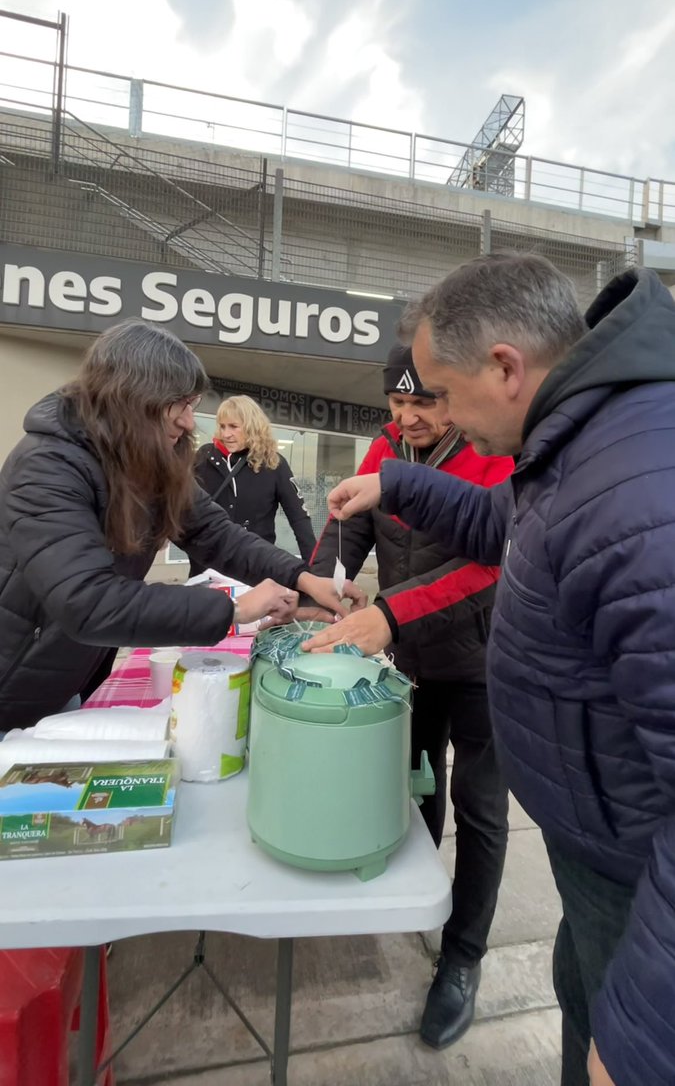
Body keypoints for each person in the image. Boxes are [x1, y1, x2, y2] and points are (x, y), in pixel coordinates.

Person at [310, 252, 675, 1086]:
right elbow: (504, 521)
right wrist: (391, 484)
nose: (431, 413)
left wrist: (646, 1038)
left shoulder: (637, 479)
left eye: (440, 394)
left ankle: (468, 960)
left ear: (505, 367)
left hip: (633, 869)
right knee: (577, 989)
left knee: (601, 1031)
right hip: (596, 835)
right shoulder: (582, 435)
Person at [0, 319, 356, 733]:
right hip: (10, 685)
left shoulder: (146, 459)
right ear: (134, 398)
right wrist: (235, 609)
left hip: (61, 679)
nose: (190, 421)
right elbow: (87, 601)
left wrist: (302, 577)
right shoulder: (47, 466)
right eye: (181, 404)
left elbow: (215, 534)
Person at [307, 342, 513, 1049]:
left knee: (479, 811)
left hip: (482, 666)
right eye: (395, 404)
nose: (406, 417)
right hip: (404, 661)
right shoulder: (384, 447)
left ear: (450, 397)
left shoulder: (491, 452)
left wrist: (389, 613)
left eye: (421, 402)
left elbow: (487, 566)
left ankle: (462, 956)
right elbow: (349, 527)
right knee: (413, 786)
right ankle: (413, 902)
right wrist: (314, 589)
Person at [188, 395, 316, 578]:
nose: (226, 434)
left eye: (233, 426)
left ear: (251, 426)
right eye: (222, 426)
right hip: (206, 572)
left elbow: (299, 520)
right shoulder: (203, 457)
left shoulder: (274, 464)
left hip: (256, 571)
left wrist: (314, 573)